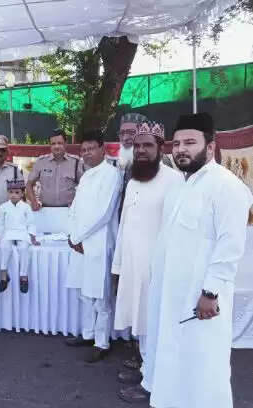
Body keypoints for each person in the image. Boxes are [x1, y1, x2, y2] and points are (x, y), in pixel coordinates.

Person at [143, 113, 252, 408]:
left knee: (203, 367)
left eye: (190, 142)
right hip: (171, 295)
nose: (181, 149)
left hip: (201, 299)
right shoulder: (180, 185)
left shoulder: (227, 186)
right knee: (173, 361)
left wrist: (210, 292)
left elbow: (230, 247)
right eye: (177, 143)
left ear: (210, 147)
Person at [111, 122, 183, 402]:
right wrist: (117, 267)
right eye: (137, 145)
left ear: (161, 148)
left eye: (148, 145)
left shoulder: (175, 181)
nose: (141, 150)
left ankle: (153, 384)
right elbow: (124, 226)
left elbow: (177, 231)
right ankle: (146, 369)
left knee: (155, 326)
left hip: (157, 270)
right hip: (132, 267)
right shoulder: (133, 181)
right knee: (140, 323)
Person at [65, 130, 121, 363]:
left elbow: (104, 213)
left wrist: (79, 237)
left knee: (100, 296)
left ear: (102, 149)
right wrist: (72, 236)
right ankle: (88, 334)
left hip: (99, 243)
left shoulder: (112, 174)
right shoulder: (86, 175)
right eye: (83, 150)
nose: (86, 153)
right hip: (79, 243)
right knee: (84, 294)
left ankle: (101, 342)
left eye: (91, 149)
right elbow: (74, 208)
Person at [0, 178, 40, 293]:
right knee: (4, 247)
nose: (13, 195)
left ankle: (23, 277)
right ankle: (3, 276)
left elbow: (31, 223)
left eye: (17, 192)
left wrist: (33, 238)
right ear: (7, 193)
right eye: (11, 192)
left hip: (22, 233)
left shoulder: (26, 207)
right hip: (8, 232)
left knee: (23, 248)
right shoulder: (3, 207)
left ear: (22, 193)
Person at [26, 129, 81, 211]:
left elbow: (85, 186)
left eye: (60, 143)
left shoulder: (76, 162)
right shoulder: (41, 162)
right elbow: (29, 184)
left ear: (66, 143)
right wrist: (33, 201)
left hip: (69, 210)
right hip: (45, 210)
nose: (56, 146)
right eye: (53, 144)